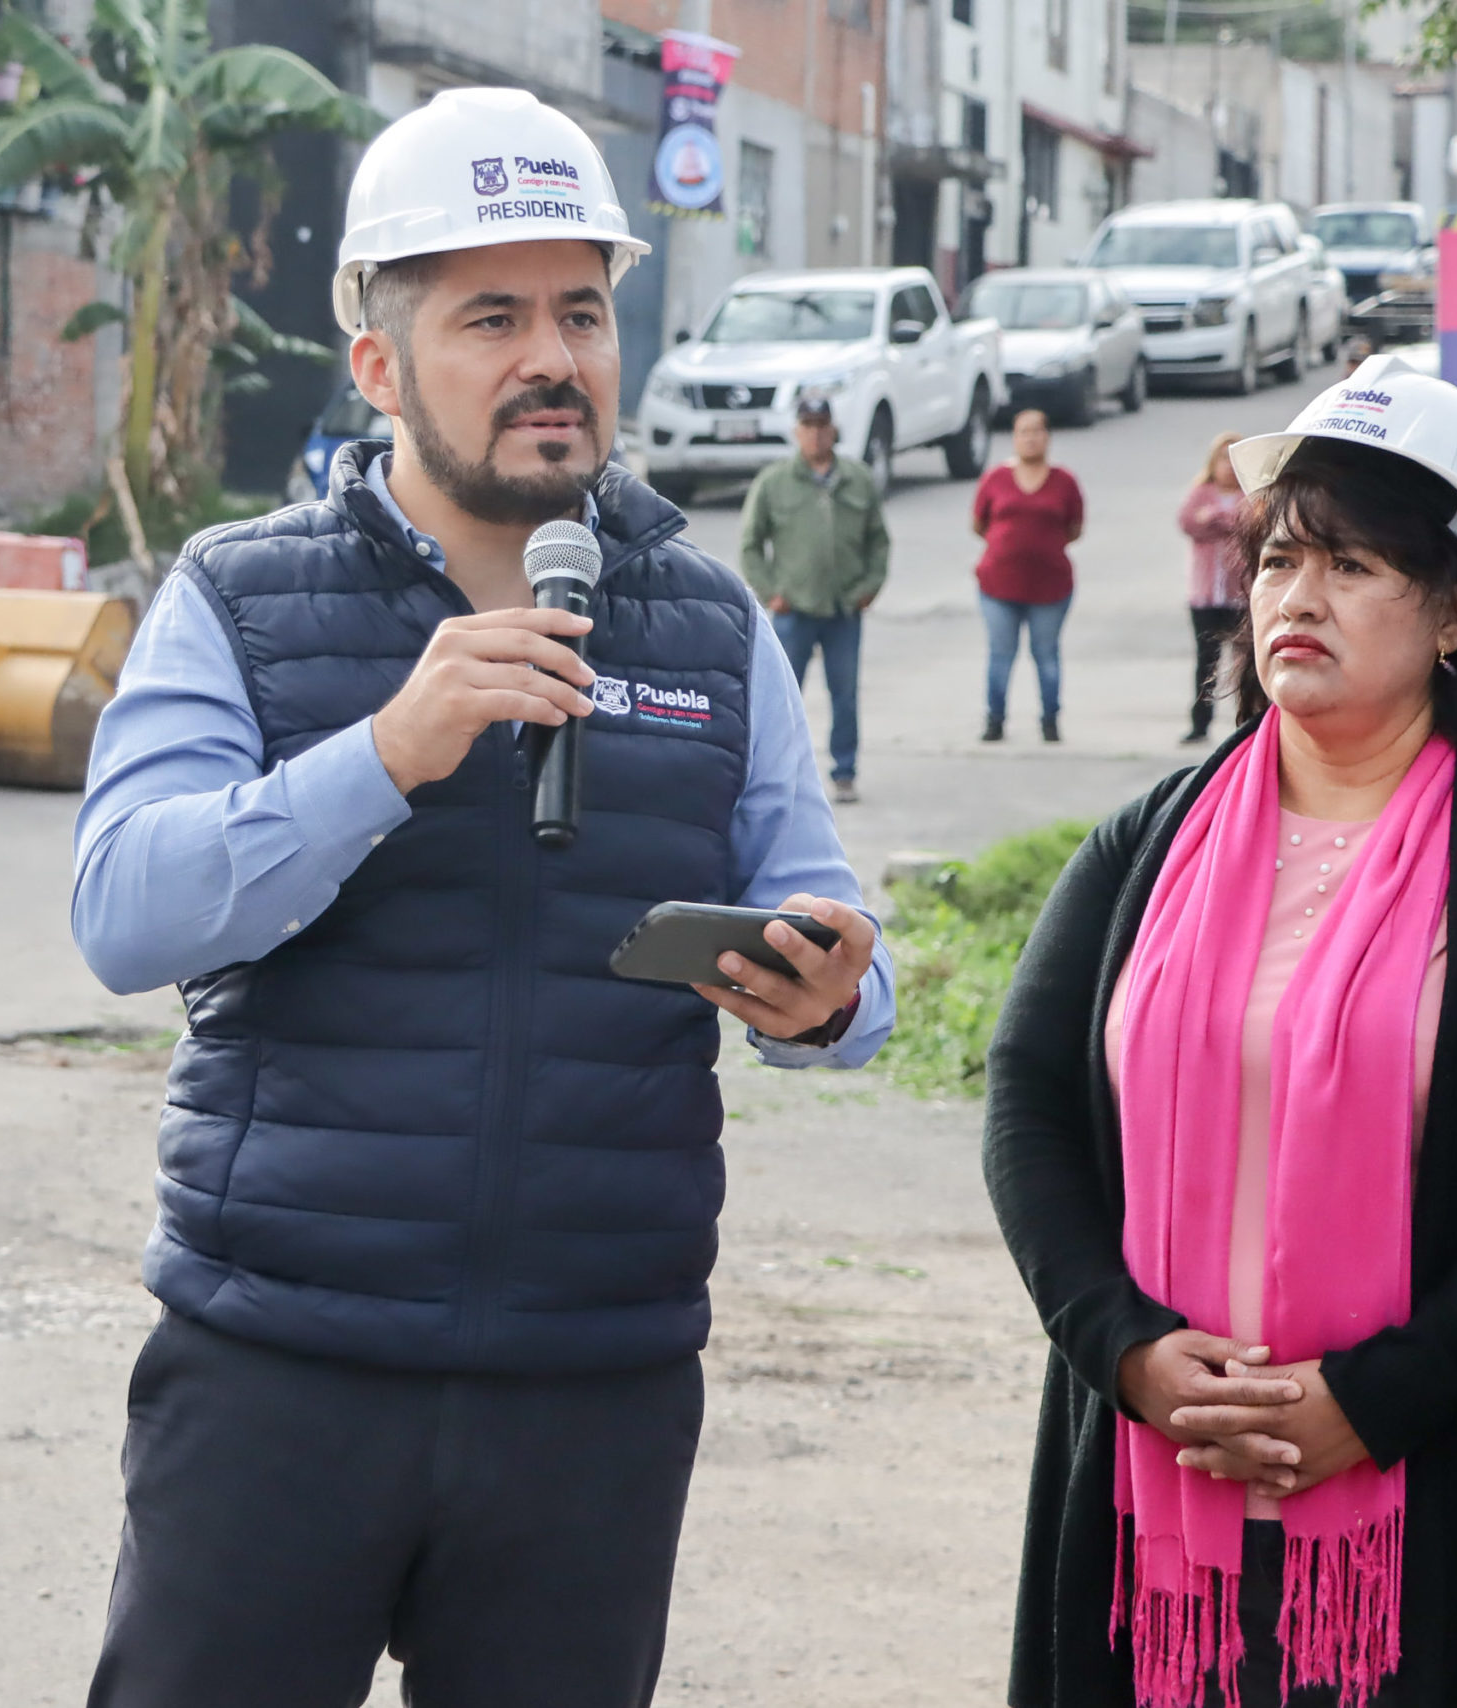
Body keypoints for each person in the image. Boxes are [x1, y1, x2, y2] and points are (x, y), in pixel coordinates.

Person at [68, 87, 895, 1708]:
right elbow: (126, 911)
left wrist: (833, 994)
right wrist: (388, 747)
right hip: (281, 1364)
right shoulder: (239, 597)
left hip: (593, 1380)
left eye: (583, 311)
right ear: (377, 365)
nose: (553, 358)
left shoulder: (713, 629)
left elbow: (834, 949)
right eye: (493, 316)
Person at [984, 356, 1457, 1708]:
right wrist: (1122, 1348)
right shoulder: (1151, 846)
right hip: (1165, 1510)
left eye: (1355, 566)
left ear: (1451, 615)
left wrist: (1383, 1398)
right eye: (1279, 560)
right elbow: (1028, 1105)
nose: (1297, 597)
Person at [738, 393, 890, 803]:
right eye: (808, 426)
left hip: (843, 609)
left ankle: (844, 772)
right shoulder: (774, 482)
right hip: (793, 610)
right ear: (796, 432)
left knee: (844, 694)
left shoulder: (857, 478)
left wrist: (869, 587)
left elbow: (879, 541)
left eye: (823, 426)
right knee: (782, 696)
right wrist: (771, 592)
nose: (816, 434)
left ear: (834, 430)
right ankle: (778, 774)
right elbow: (751, 544)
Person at [972, 407, 1084, 743]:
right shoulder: (995, 478)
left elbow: (1074, 528)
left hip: (1050, 587)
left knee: (1046, 653)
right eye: (1023, 431)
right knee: (1000, 653)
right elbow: (979, 523)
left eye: (1037, 431)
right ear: (1014, 437)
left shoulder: (1064, 481)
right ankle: (995, 719)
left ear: (1047, 437)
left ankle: (1050, 720)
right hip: (998, 584)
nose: (1030, 438)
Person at [1178, 430, 1248, 746]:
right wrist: (1222, 520)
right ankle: (1200, 724)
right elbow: (1189, 522)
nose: (1229, 467)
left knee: (1244, 664)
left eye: (1235, 459)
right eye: (1223, 458)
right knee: (1206, 661)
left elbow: (1250, 524)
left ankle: (1247, 724)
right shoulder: (1201, 492)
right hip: (1205, 596)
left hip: (1240, 596)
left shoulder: (1251, 494)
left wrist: (1217, 518)